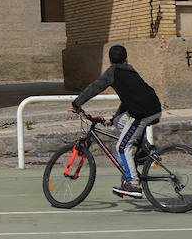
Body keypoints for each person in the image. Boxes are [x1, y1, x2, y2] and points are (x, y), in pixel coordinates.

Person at [69, 44, 162, 199]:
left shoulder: (112, 72)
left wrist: (76, 104)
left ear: (110, 60)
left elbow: (95, 87)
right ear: (126, 58)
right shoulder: (130, 70)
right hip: (153, 108)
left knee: (122, 146)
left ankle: (133, 183)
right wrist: (113, 119)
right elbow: (129, 99)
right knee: (120, 121)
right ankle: (145, 149)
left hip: (142, 113)